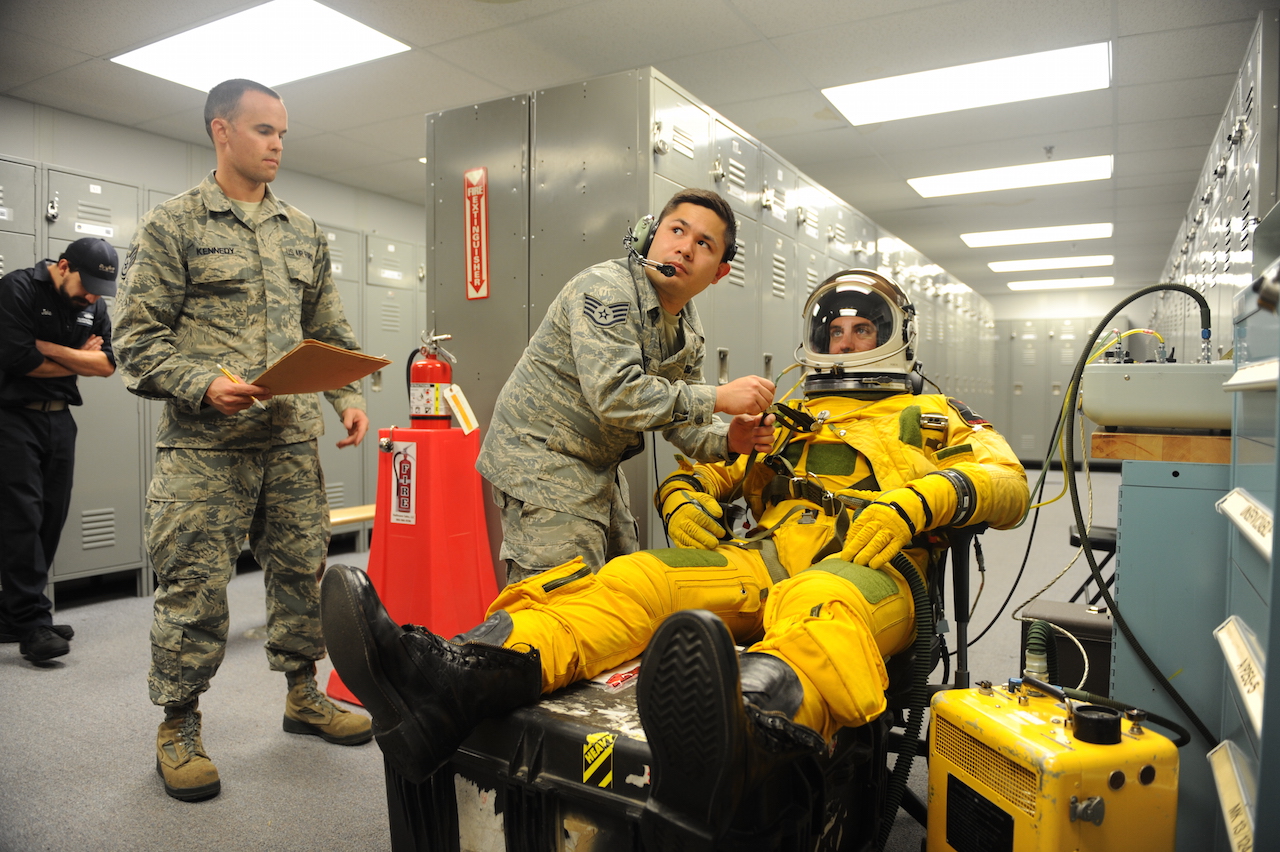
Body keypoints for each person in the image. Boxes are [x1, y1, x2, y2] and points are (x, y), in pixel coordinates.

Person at [321, 269, 1030, 847]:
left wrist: (920, 501)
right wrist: (683, 499)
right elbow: (707, 465)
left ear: (891, 337)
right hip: (765, 559)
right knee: (636, 575)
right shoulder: (789, 416)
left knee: (825, 611)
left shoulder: (933, 413)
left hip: (870, 571)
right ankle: (453, 680)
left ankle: (743, 740)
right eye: (834, 330)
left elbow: (1006, 483)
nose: (845, 343)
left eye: (861, 330)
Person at [113, 78, 373, 803]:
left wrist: (347, 394)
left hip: (290, 441)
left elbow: (327, 328)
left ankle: (303, 694)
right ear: (220, 131)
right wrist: (201, 382)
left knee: (300, 577)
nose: (278, 145)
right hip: (205, 447)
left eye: (283, 132)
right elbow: (132, 341)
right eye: (263, 131)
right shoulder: (174, 225)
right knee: (192, 589)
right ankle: (179, 724)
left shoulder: (302, 229)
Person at [475, 188, 776, 583]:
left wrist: (730, 440)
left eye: (704, 244)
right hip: (541, 458)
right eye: (677, 230)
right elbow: (616, 395)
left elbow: (682, 419)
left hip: (594, 464)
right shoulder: (605, 289)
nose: (685, 249)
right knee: (560, 602)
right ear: (649, 234)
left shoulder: (687, 325)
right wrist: (720, 397)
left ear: (720, 270)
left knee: (622, 588)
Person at [0, 238, 119, 665]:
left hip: (59, 419)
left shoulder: (94, 306)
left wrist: (49, 349)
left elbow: (107, 364)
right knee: (22, 516)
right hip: (13, 418)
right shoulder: (17, 289)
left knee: (52, 515)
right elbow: (18, 359)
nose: (91, 296)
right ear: (63, 266)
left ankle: (15, 613)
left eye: (97, 291)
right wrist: (77, 359)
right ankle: (32, 623)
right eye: (85, 285)